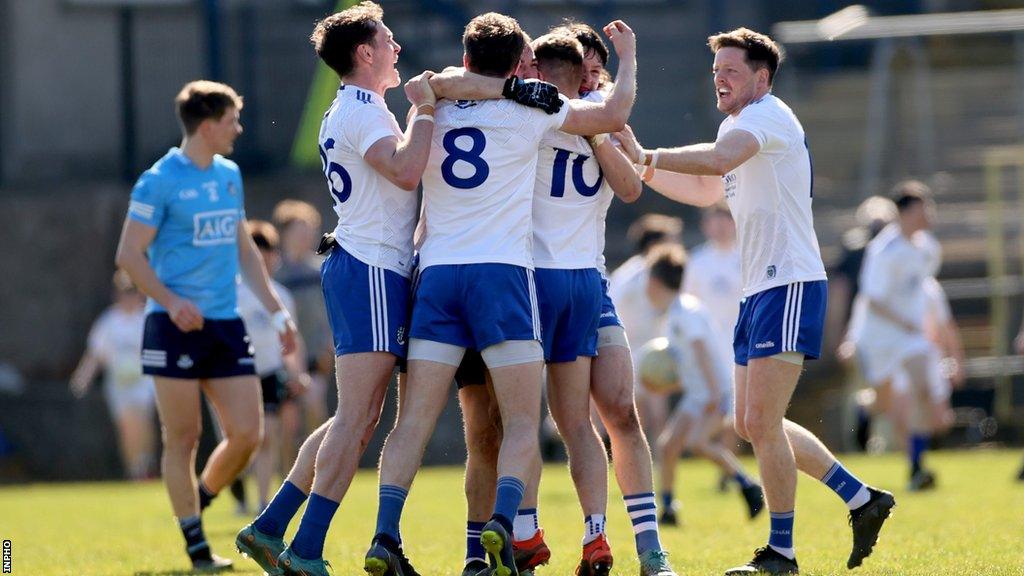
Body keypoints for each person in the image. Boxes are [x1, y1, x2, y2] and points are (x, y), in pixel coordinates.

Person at [235, 5, 561, 575]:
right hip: (372, 268)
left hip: (374, 267)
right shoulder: (362, 113)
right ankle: (304, 547)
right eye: (386, 39)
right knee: (358, 418)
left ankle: (272, 526)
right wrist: (428, 110)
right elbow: (408, 170)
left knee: (355, 419)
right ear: (365, 53)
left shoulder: (361, 109)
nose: (396, 46)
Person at [363, 13, 637, 576]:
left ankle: (384, 535)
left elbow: (436, 87)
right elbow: (611, 114)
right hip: (503, 278)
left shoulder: (431, 100)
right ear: (519, 64)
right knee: (519, 421)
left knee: (411, 421)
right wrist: (627, 60)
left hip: (436, 275)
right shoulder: (532, 108)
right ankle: (503, 522)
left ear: (465, 58)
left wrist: (441, 88)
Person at [614, 28, 894, 575]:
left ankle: (782, 554)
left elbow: (718, 162)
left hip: (787, 283)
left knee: (762, 423)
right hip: (759, 288)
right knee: (749, 422)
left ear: (761, 78)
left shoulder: (766, 117)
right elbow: (705, 189)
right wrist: (647, 169)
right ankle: (861, 499)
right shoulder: (738, 124)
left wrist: (646, 152)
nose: (720, 78)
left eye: (732, 71)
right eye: (717, 69)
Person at [115, 79, 297, 572]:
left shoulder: (229, 175)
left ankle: (199, 499)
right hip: (173, 328)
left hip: (224, 324)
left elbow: (244, 250)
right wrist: (172, 302)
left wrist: (276, 311)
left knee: (247, 434)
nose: (239, 128)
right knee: (185, 437)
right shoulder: (158, 180)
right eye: (233, 120)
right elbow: (129, 255)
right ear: (209, 124)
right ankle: (197, 547)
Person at [642, 244, 765, 525]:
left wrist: (713, 393)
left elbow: (702, 352)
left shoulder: (686, 312)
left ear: (655, 282)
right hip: (699, 393)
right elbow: (687, 365)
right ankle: (669, 509)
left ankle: (748, 485)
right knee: (668, 446)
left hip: (713, 392)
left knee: (697, 443)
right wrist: (665, 386)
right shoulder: (674, 313)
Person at [846, 183, 943, 490]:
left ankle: (916, 467)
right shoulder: (884, 250)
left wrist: (923, 324)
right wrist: (903, 321)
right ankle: (866, 409)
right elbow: (873, 299)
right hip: (880, 337)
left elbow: (921, 288)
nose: (927, 215)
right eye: (920, 209)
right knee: (884, 401)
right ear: (902, 214)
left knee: (923, 389)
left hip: (911, 336)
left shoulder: (928, 246)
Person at [237, 221, 311, 512]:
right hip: (238, 375)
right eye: (257, 252)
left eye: (268, 251)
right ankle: (238, 484)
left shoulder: (282, 295)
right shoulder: (233, 294)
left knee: (270, 436)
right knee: (244, 440)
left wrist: (298, 372)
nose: (264, 258)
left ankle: (264, 500)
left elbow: (292, 341)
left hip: (269, 373)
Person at [70, 270, 157, 481]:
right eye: (124, 292)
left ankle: (147, 464)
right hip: (118, 385)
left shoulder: (146, 318)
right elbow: (95, 354)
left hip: (143, 383)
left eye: (132, 292)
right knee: (126, 426)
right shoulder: (109, 322)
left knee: (142, 422)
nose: (128, 297)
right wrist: (82, 378)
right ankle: (135, 470)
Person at [607, 214, 683, 444]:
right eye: (671, 241)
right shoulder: (637, 274)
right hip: (635, 351)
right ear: (654, 245)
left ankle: (657, 468)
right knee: (643, 415)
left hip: (648, 350)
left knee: (652, 415)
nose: (676, 247)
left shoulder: (646, 271)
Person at [271, 200, 332, 457]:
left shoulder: (322, 269)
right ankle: (287, 477)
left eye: (310, 229)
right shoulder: (273, 275)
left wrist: (330, 344)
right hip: (283, 357)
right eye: (300, 229)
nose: (307, 236)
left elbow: (333, 313)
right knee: (287, 424)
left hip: (316, 354)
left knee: (315, 407)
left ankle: (318, 468)